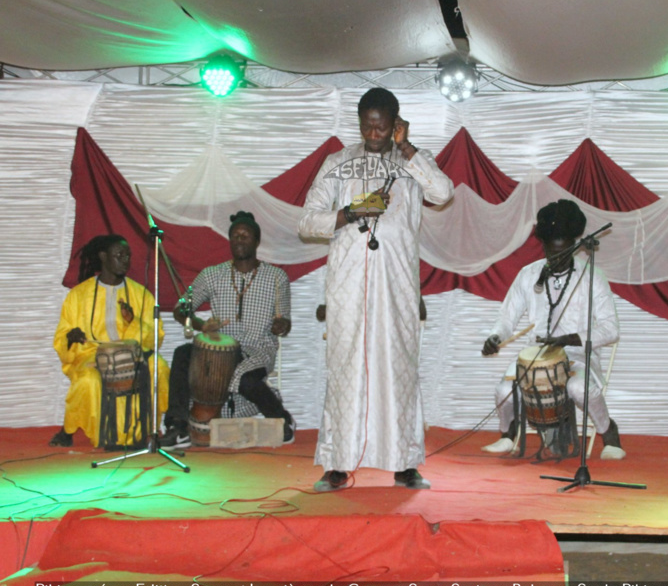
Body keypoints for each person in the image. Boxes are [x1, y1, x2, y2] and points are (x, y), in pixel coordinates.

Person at [299, 88, 454, 492]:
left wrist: (408, 151)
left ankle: (404, 464)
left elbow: (443, 193)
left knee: (399, 369)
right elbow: (307, 222)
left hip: (397, 284)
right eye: (367, 125)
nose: (373, 133)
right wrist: (351, 213)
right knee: (345, 368)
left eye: (382, 126)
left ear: (396, 124)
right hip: (348, 284)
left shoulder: (413, 163)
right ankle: (336, 463)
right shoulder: (338, 163)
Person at [481, 199, 625, 460]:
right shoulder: (528, 274)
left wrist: (569, 339)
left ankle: (609, 434)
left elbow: (610, 329)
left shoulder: (593, 276)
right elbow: (506, 318)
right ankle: (507, 434)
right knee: (504, 390)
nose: (557, 260)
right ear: (544, 247)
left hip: (577, 354)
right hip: (536, 355)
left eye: (564, 252)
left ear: (574, 247)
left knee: (579, 389)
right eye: (552, 253)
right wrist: (495, 337)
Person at [160, 211, 295, 448]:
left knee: (246, 381)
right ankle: (177, 426)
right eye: (234, 236)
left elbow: (284, 321)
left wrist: (282, 324)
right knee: (183, 354)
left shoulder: (276, 278)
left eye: (245, 236)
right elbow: (181, 309)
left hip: (257, 350)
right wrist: (202, 326)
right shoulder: (212, 275)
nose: (239, 240)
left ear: (256, 241)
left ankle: (283, 419)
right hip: (218, 350)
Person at [52, 235, 170, 448]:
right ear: (103, 257)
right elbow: (63, 333)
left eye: (127, 256)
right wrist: (71, 337)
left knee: (159, 368)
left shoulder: (140, 294)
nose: (125, 260)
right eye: (119, 255)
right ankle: (69, 429)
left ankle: (150, 429)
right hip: (92, 353)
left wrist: (133, 322)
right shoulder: (78, 295)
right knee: (88, 381)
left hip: (132, 353)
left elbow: (156, 336)